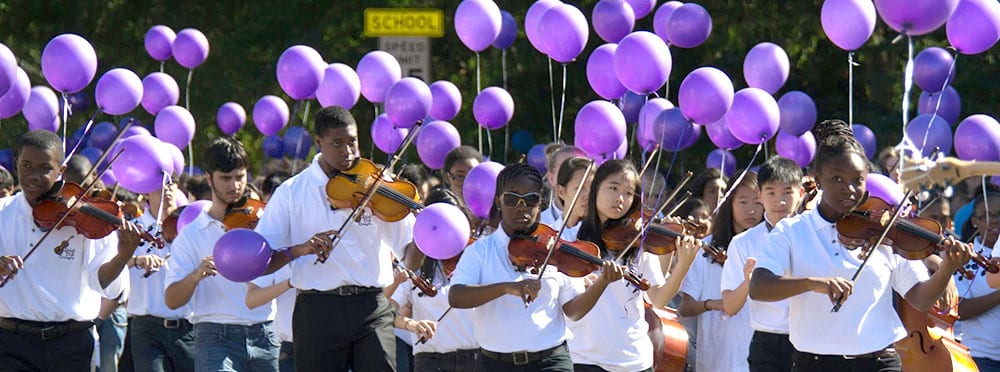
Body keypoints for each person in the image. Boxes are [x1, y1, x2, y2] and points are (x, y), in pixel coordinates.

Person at [749, 119, 974, 371]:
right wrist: (813, 284)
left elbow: (920, 299)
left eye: (858, 179)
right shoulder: (792, 231)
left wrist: (946, 269)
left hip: (880, 362)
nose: (850, 189)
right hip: (816, 364)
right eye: (837, 178)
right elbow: (759, 288)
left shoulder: (884, 231)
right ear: (818, 180)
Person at [255, 106, 415, 371]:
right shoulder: (291, 192)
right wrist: (300, 249)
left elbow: (409, 247)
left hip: (371, 305)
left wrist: (430, 232)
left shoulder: (378, 185)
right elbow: (262, 260)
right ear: (318, 143)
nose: (348, 152)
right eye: (337, 144)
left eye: (353, 142)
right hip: (317, 309)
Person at [448, 163, 622, 371]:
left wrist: (602, 283)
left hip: (550, 361)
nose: (521, 207)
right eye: (512, 199)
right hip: (495, 364)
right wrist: (507, 288)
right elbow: (456, 296)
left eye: (530, 199)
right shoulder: (480, 251)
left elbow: (573, 311)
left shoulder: (557, 246)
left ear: (540, 201)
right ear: (498, 201)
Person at [0, 130, 140, 371]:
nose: (33, 176)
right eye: (26, 165)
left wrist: (123, 255)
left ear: (61, 171)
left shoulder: (87, 217)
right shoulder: (3, 211)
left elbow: (101, 282)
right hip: (12, 340)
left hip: (71, 342)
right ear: (16, 165)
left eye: (45, 168)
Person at [571, 159, 701, 372]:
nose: (620, 198)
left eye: (629, 193)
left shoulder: (638, 243)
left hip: (634, 360)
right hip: (585, 359)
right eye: (613, 188)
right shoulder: (572, 239)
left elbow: (658, 299)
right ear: (595, 189)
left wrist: (683, 265)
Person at [164, 137, 279, 372]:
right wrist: (196, 275)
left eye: (240, 177)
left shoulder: (265, 224)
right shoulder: (191, 234)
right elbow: (172, 300)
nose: (235, 186)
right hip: (215, 335)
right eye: (226, 178)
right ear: (209, 178)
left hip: (266, 334)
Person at [720, 157, 805, 372]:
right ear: (760, 195)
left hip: (810, 339)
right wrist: (749, 281)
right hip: (769, 342)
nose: (780, 201)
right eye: (771, 193)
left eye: (787, 192)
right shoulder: (743, 243)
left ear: (801, 194)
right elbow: (729, 306)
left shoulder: (815, 235)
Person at [679, 172, 761, 372]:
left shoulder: (772, 244)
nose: (750, 210)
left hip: (759, 356)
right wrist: (713, 304)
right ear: (729, 204)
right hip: (717, 358)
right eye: (743, 202)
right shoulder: (706, 249)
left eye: (757, 203)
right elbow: (685, 308)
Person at [392, 188, 479, 372]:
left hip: (477, 359)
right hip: (431, 362)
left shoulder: (477, 257)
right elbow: (386, 313)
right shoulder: (415, 263)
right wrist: (413, 325)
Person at [127, 180, 195, 372]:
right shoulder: (133, 228)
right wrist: (136, 260)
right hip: (147, 328)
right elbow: (113, 266)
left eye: (171, 184)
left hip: (188, 326)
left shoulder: (190, 226)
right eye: (158, 185)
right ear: (145, 193)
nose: (166, 190)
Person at [953, 190, 1000, 371]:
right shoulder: (966, 259)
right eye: (986, 216)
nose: (994, 220)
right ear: (974, 222)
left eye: (999, 215)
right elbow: (960, 309)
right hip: (982, 357)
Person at [245, 266, 295, 372]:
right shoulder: (278, 251)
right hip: (292, 347)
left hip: (334, 341)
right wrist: (290, 283)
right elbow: (251, 299)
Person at [540, 145, 587, 227]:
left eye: (582, 169)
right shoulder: (537, 224)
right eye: (566, 170)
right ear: (551, 178)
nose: (577, 176)